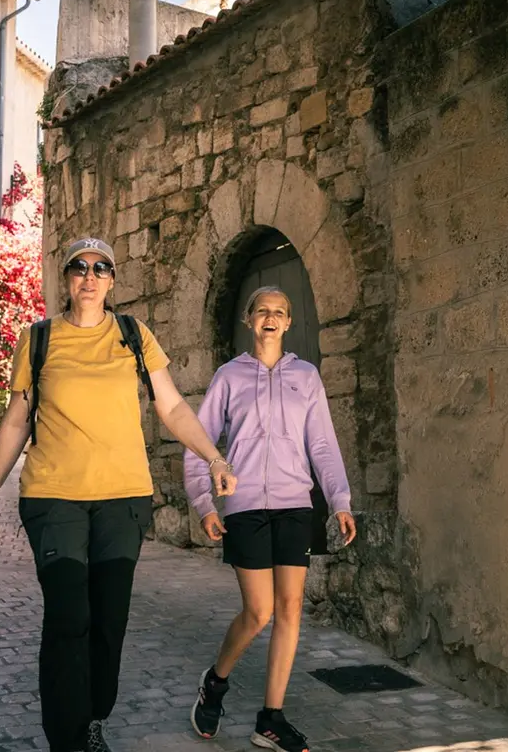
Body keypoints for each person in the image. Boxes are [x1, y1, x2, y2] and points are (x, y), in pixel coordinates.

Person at [0, 238, 237, 752]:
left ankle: (94, 717)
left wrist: (215, 457)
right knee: (69, 617)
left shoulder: (134, 335)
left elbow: (174, 408)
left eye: (101, 268)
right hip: (53, 498)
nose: (89, 276)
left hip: (123, 499)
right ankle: (67, 741)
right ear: (65, 278)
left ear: (112, 281)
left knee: (108, 621)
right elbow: (15, 421)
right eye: (78, 267)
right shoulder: (40, 339)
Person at [184, 287, 355, 751]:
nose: (271, 318)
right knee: (259, 612)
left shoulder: (306, 376)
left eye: (280, 312)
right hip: (245, 507)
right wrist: (204, 503)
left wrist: (339, 499)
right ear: (249, 319)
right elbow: (198, 444)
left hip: (295, 505)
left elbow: (322, 445)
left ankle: (271, 720)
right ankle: (216, 681)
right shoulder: (228, 377)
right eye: (263, 311)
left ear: (288, 322)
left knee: (291, 608)